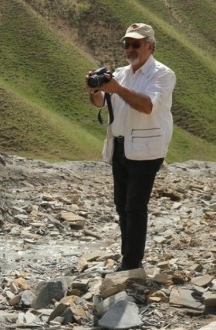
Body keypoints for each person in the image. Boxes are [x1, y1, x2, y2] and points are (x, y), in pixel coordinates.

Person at [86, 23, 176, 272]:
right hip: (120, 147)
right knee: (121, 204)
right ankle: (127, 254)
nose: (130, 49)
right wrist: (95, 90)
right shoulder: (121, 74)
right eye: (126, 44)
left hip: (147, 150)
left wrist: (116, 88)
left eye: (136, 44)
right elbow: (100, 103)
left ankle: (131, 261)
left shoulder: (162, 74)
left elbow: (147, 106)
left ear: (150, 46)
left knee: (135, 206)